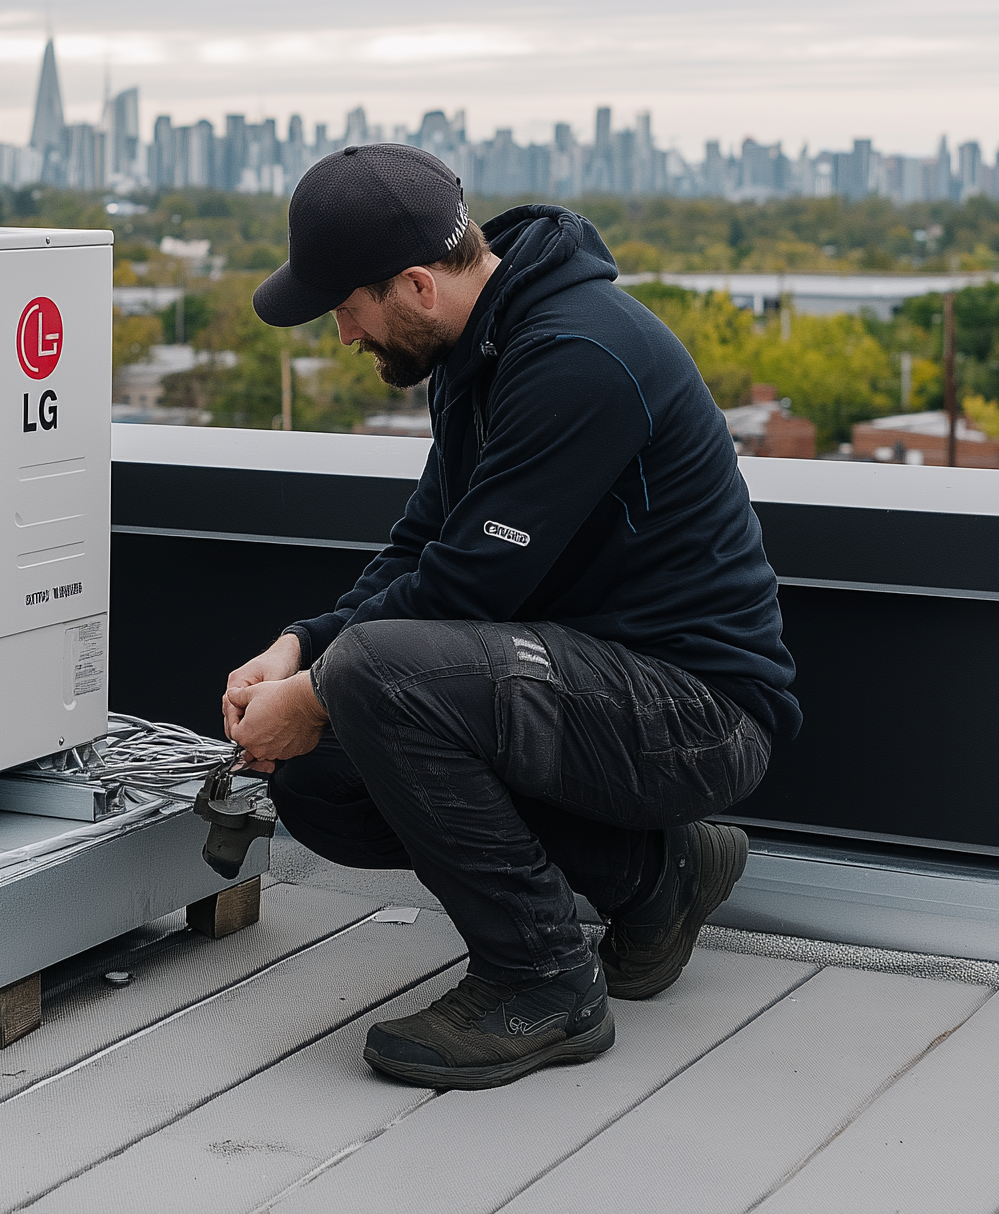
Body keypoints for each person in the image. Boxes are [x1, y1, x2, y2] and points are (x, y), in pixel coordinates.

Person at [223, 143, 797, 1090]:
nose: (343, 335)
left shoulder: (577, 356)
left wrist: (325, 684)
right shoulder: (475, 345)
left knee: (371, 683)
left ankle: (542, 982)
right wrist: (298, 648)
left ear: (413, 286)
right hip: (576, 689)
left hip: (696, 715)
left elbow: (466, 592)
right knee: (319, 774)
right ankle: (657, 880)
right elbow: (423, 549)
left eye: (347, 309)